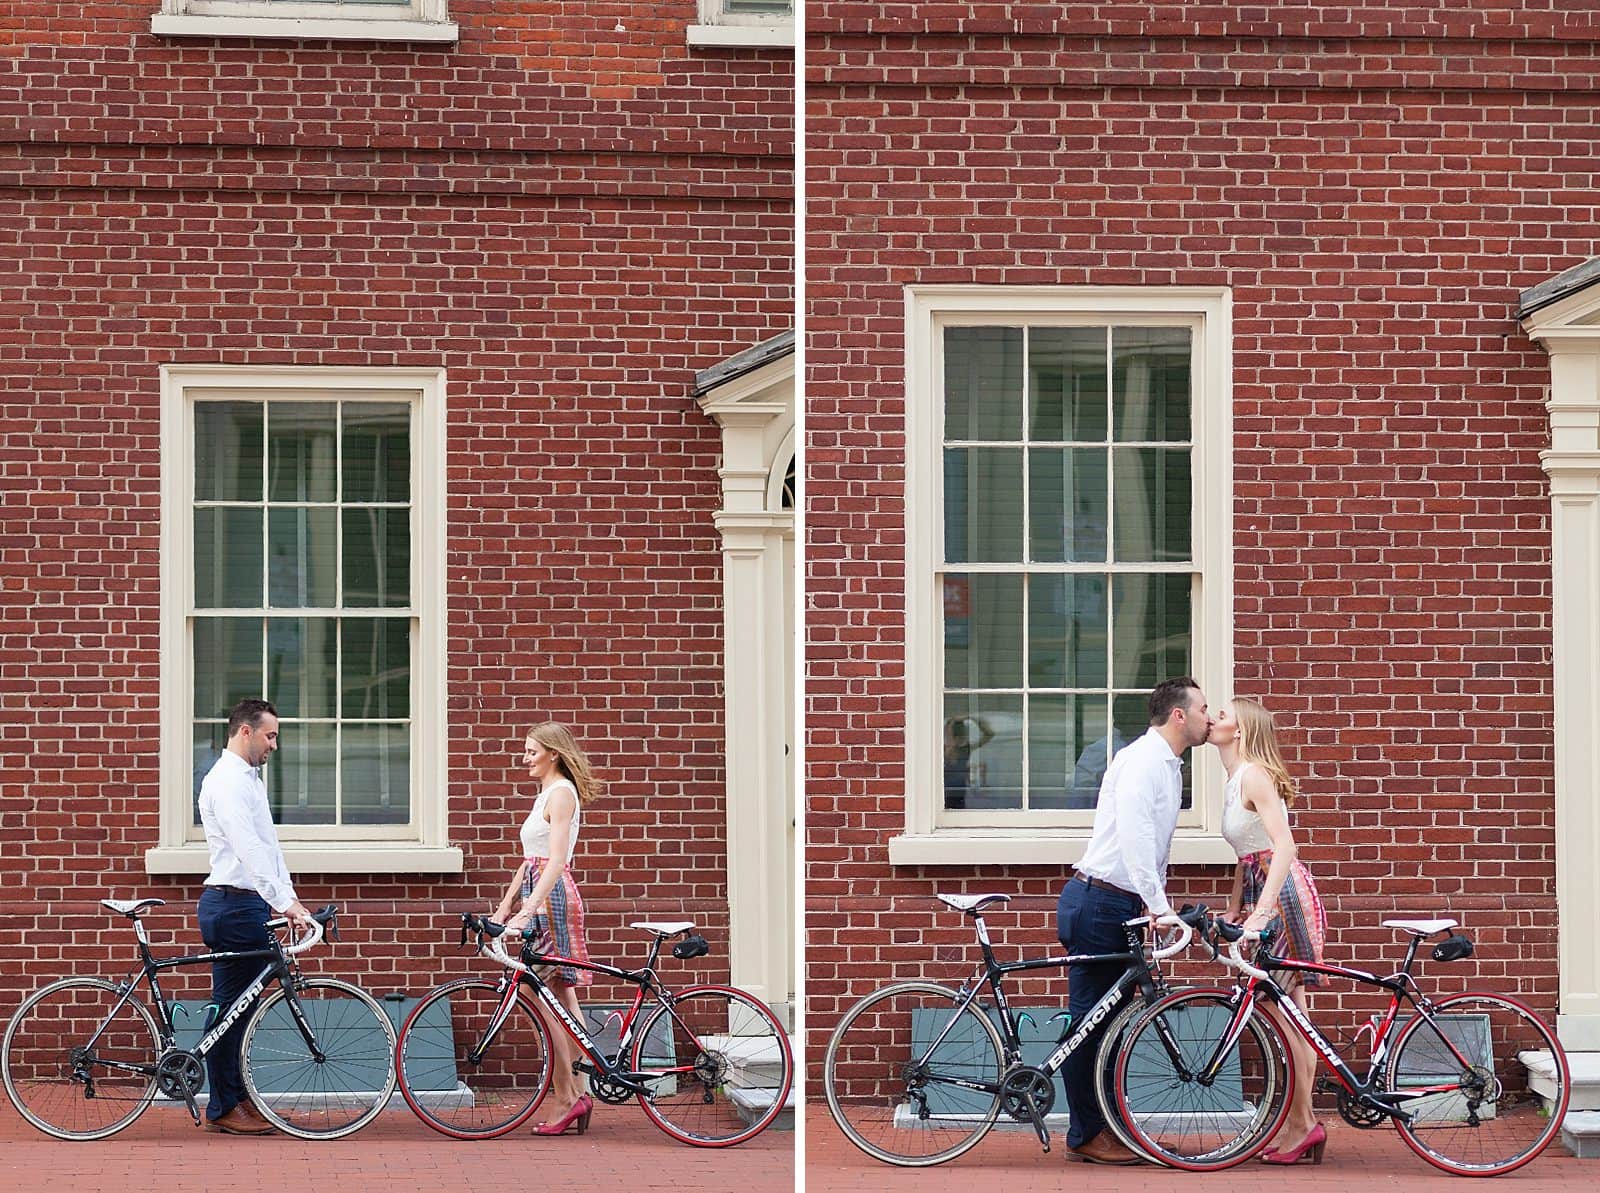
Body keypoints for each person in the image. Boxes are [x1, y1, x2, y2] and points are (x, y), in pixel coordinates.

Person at [1055, 676, 1211, 1165]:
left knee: (1110, 1022)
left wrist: (1150, 904)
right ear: (1179, 716)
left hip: (1118, 904)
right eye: (1204, 709)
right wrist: (1159, 906)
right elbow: (1138, 838)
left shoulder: (1168, 765)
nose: (1211, 717)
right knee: (1092, 1024)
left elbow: (1155, 847)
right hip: (1101, 902)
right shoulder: (1144, 762)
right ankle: (1086, 1133)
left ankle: (1109, 1127)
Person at [1212, 698, 1330, 1165]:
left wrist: (1260, 913)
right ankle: (1301, 1124)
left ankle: (1302, 1125)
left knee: (1287, 1018)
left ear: (1240, 731)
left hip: (1285, 900)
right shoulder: (1233, 778)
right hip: (1265, 894)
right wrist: (1236, 904)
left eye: (1222, 715)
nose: (1213, 720)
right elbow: (1249, 852)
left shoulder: (1255, 774)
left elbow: (1284, 847)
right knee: (1289, 1017)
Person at [196, 697, 314, 1136]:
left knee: (238, 1011)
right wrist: (285, 903)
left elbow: (268, 848)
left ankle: (238, 1099)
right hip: (233, 904)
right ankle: (224, 1105)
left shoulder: (248, 780)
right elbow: (247, 850)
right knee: (232, 1009)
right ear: (245, 731)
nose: (274, 745)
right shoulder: (227, 782)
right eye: (270, 735)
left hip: (244, 903)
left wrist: (289, 899)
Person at [495, 721, 603, 1136]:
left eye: (531, 751)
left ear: (553, 753)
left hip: (553, 900)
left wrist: (528, 910)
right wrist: (507, 906)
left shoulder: (561, 795)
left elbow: (556, 861)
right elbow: (530, 860)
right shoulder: (546, 794)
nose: (525, 758)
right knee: (559, 996)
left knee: (536, 992)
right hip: (540, 897)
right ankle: (582, 1085)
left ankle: (568, 1096)